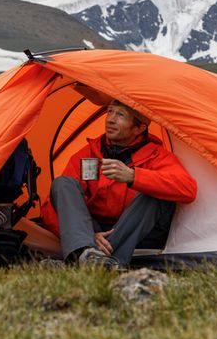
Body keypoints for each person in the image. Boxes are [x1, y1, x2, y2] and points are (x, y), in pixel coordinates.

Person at [42, 99, 197, 268]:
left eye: (121, 115)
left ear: (139, 128)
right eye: (110, 111)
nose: (110, 119)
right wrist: (89, 235)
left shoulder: (156, 156)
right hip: (96, 231)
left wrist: (133, 177)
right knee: (63, 184)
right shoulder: (89, 154)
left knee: (156, 193)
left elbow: (188, 189)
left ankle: (98, 260)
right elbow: (51, 207)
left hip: (136, 233)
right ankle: (89, 253)